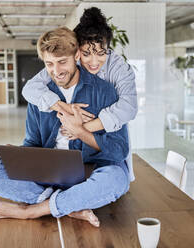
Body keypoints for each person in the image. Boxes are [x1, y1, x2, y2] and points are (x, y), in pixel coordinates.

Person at [0, 27, 130, 227]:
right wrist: (20, 155)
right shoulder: (40, 96)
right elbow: (33, 142)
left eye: (62, 62)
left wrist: (81, 132)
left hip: (91, 171)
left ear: (76, 56)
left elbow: (120, 150)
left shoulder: (105, 91)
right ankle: (70, 205)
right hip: (48, 174)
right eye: (49, 64)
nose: (56, 71)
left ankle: (32, 210)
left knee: (116, 178)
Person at [22, 7, 138, 181]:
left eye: (101, 53)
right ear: (77, 53)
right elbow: (30, 88)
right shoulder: (60, 67)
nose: (93, 62)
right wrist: (63, 106)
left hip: (100, 149)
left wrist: (81, 129)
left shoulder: (117, 70)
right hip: (54, 166)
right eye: (86, 54)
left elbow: (128, 108)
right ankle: (64, 198)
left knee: (115, 176)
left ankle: (51, 202)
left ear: (108, 49)